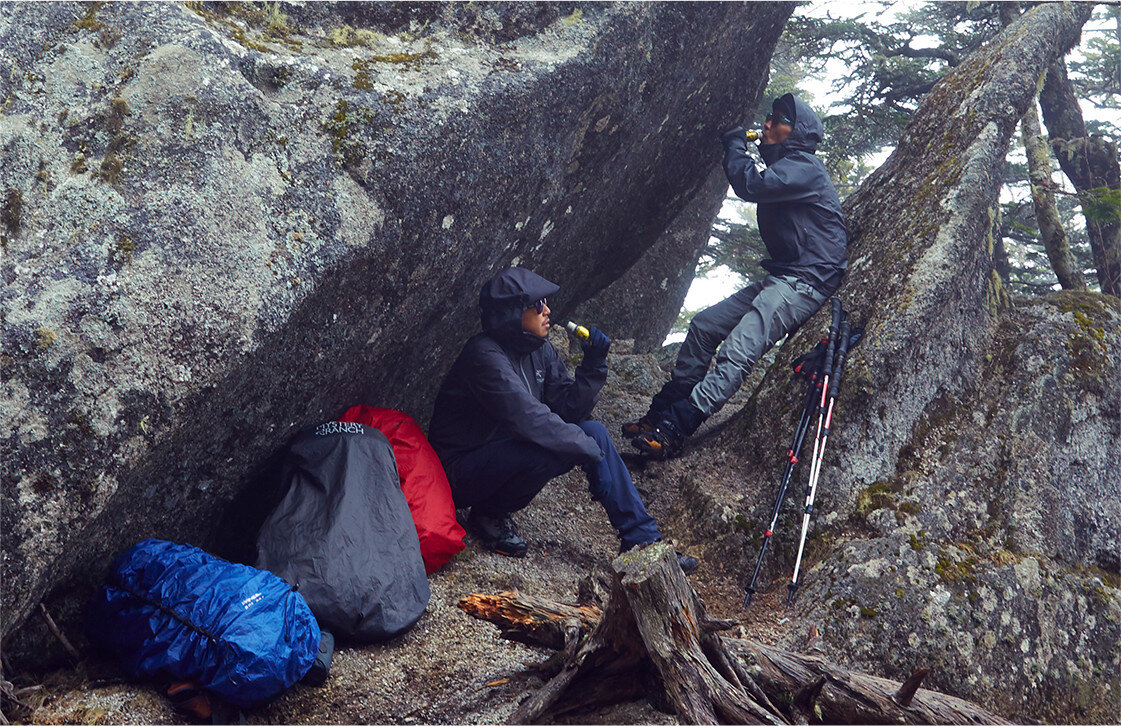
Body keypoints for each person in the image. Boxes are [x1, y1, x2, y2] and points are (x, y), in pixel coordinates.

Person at [428, 267, 698, 574]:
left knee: (593, 431)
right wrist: (590, 452)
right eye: (537, 304)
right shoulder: (484, 356)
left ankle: (643, 543)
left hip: (500, 454)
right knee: (551, 446)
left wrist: (593, 365)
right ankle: (489, 512)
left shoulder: (538, 349)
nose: (548, 310)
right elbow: (530, 420)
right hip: (456, 473)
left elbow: (567, 411)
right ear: (512, 312)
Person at [626, 93, 847, 458]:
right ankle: (662, 412)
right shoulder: (789, 166)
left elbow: (752, 186)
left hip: (807, 280)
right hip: (787, 275)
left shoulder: (805, 166)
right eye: (769, 116)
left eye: (778, 119)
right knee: (703, 327)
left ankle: (676, 428)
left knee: (737, 350)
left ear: (796, 132)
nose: (767, 123)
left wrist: (735, 146)